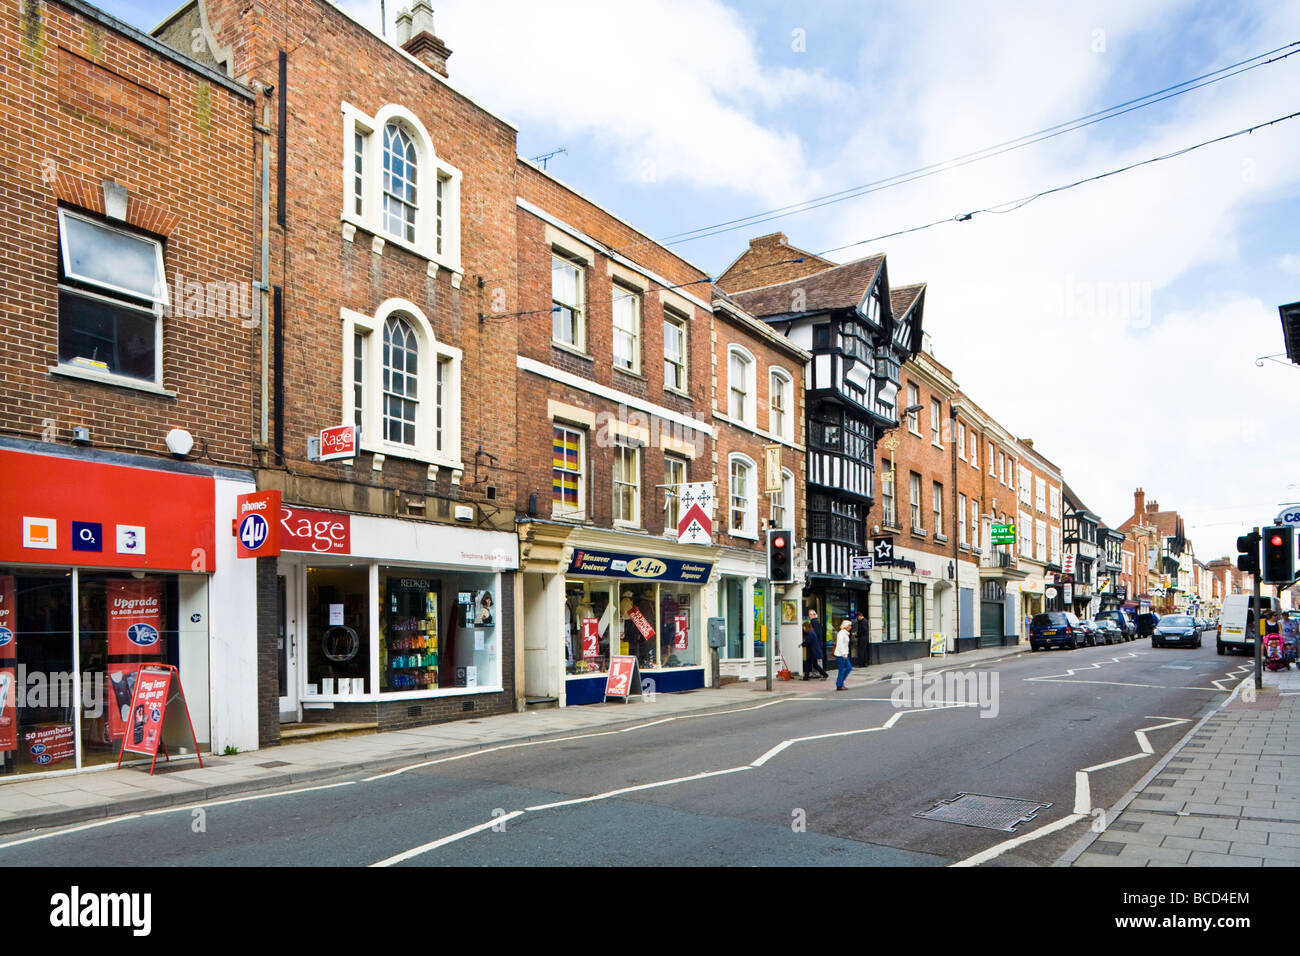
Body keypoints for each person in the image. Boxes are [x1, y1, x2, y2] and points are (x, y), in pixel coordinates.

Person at [801, 609, 827, 680]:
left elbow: (813, 635)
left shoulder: (814, 623)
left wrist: (804, 643)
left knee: (814, 661)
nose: (810, 616)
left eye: (811, 614)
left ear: (814, 615)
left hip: (814, 645)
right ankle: (814, 674)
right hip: (815, 645)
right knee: (813, 662)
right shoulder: (814, 622)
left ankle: (819, 674)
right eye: (809, 614)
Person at [834, 619, 853, 691]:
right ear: (846, 626)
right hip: (841, 654)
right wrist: (843, 654)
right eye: (849, 625)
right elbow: (840, 644)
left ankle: (840, 682)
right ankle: (839, 685)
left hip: (844, 654)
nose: (850, 627)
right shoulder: (841, 633)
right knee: (842, 669)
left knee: (849, 668)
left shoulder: (845, 633)